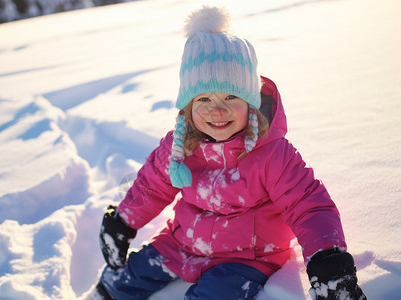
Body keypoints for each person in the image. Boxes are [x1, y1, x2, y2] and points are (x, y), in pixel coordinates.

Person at [82, 5, 367, 300]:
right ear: (188, 107)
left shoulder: (271, 153)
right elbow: (150, 186)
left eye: (231, 96)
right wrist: (123, 222)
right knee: (124, 278)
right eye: (203, 98)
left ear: (251, 103)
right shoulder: (178, 146)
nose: (218, 109)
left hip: (248, 258)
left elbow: (307, 204)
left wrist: (327, 260)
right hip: (183, 242)